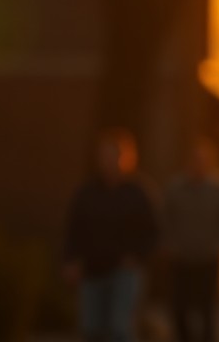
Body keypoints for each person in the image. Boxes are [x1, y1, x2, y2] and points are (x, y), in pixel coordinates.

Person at [63, 128, 159, 342]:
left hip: (124, 270)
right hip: (92, 269)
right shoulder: (87, 192)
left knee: (119, 327)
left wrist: (138, 256)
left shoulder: (138, 193)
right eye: (104, 156)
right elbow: (73, 228)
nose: (108, 161)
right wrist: (71, 261)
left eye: (113, 155)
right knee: (91, 328)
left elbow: (154, 231)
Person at [164, 139, 219, 342]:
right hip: (182, 259)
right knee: (180, 309)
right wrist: (171, 244)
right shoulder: (175, 189)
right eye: (195, 160)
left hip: (208, 259)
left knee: (207, 310)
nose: (198, 164)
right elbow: (165, 219)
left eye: (202, 160)